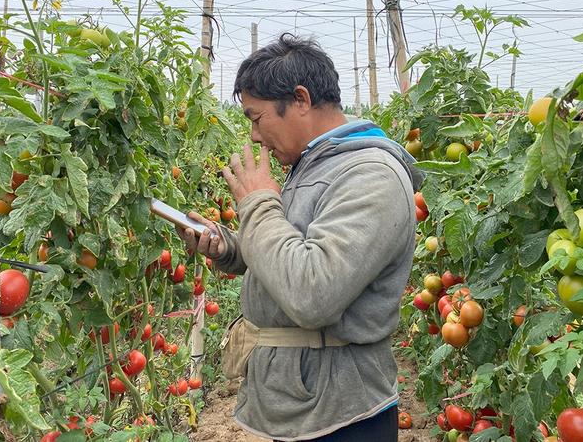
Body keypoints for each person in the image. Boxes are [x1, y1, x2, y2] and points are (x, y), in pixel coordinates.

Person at [178, 33, 423, 442]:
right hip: (303, 400)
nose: (254, 136)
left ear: (301, 100)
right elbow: (292, 249)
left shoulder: (370, 176)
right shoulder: (313, 167)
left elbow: (313, 291)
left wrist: (258, 203)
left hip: (344, 414)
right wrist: (231, 247)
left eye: (257, 119)